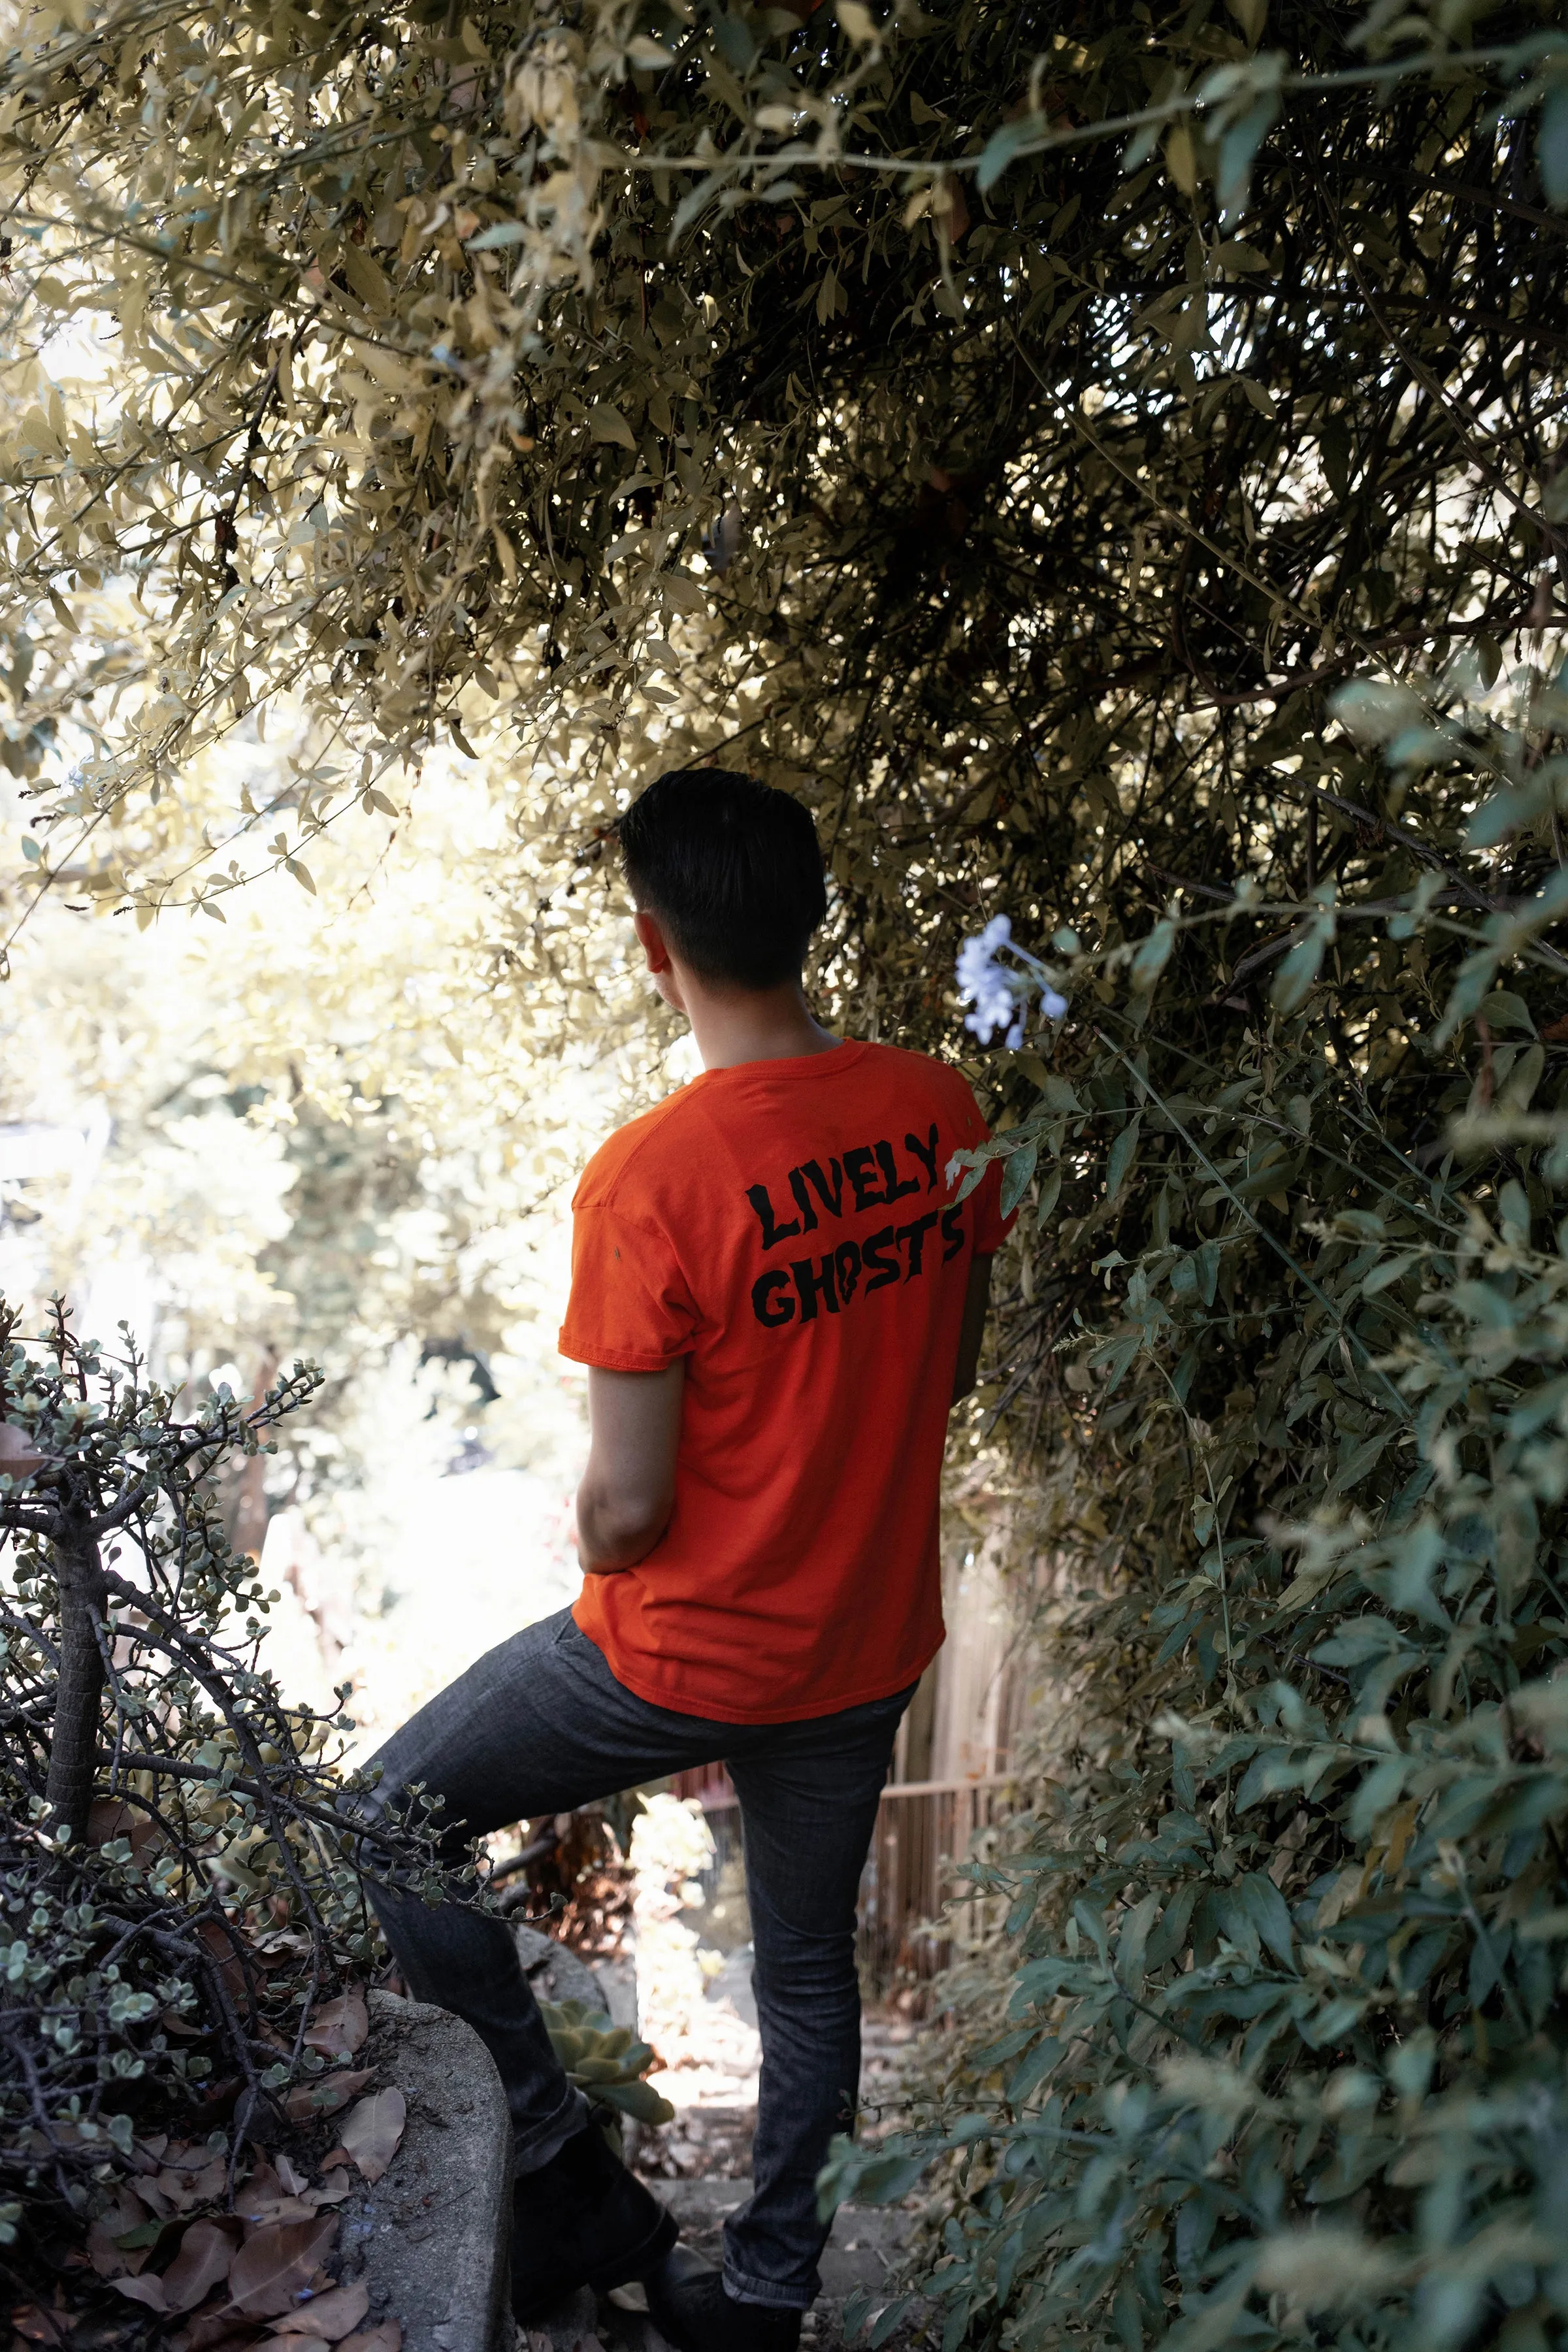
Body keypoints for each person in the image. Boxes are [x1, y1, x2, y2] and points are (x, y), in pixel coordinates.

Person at [358, 766, 1009, 2352]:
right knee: (804, 1976)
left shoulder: (654, 1180)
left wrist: (584, 1525)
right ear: (812, 916)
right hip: (859, 1645)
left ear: (653, 942)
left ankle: (576, 2186)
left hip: (676, 1652)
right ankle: (770, 2296)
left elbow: (628, 1516)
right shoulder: (938, 1111)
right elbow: (956, 1365)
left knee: (376, 1821)